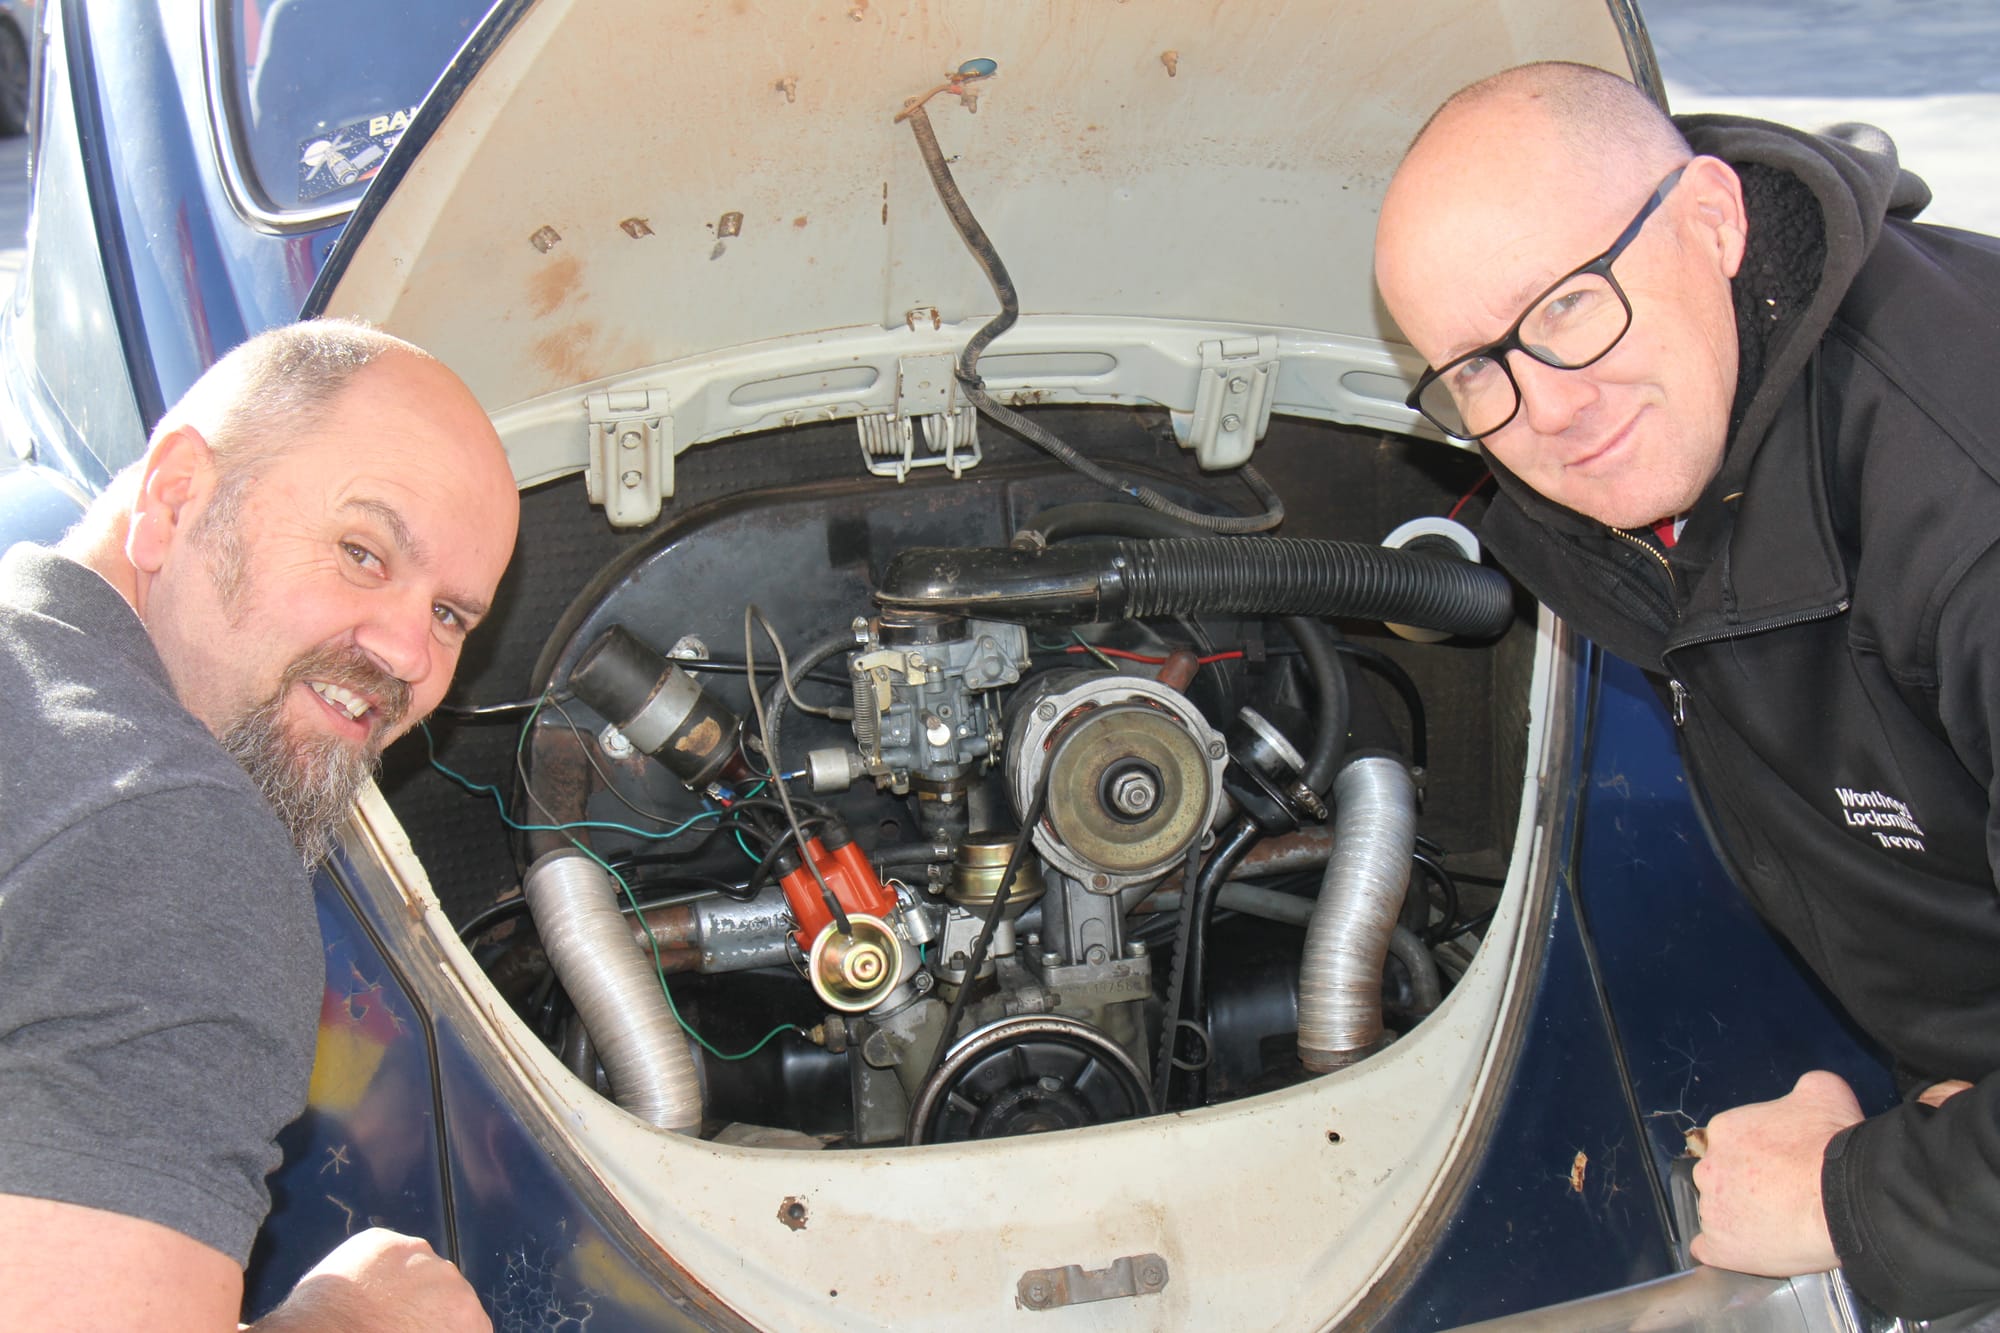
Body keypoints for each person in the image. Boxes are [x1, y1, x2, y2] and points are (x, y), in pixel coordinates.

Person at [1374, 60, 2000, 1319]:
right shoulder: (1686, 439)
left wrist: (1855, 1198)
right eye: (1472, 373)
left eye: (1564, 308)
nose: (1544, 408)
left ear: (1712, 218)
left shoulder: (1963, 519)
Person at [0, 319, 521, 1330]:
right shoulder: (169, 846)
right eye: (362, 551)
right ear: (174, 496)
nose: (411, 654)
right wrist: (350, 1320)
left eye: (453, 616)